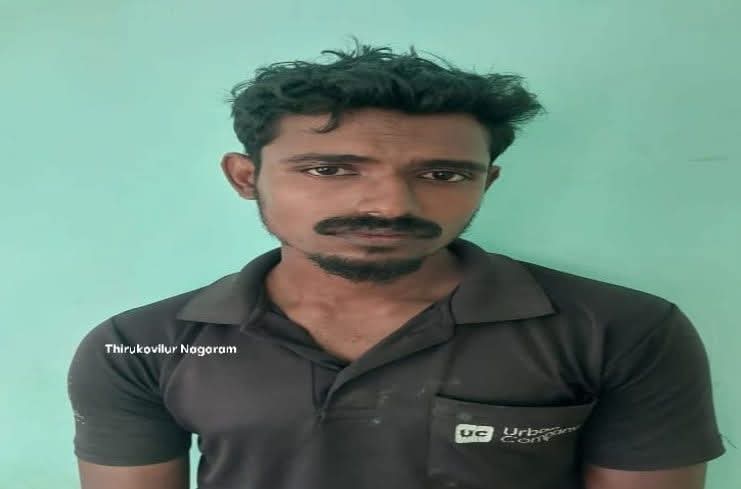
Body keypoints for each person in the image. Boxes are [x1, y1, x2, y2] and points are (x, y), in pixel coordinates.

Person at [67, 36, 725, 489]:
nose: (388, 204)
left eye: (442, 173)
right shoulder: (143, 343)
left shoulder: (618, 330)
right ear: (245, 177)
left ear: (486, 182)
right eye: (329, 169)